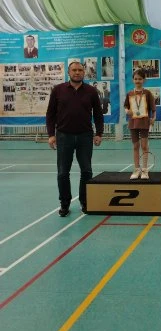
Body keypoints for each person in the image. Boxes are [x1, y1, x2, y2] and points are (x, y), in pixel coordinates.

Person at [46, 61, 104, 217]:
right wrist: (51, 135)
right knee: (63, 173)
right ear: (68, 72)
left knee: (86, 171)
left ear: (84, 72)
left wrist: (99, 133)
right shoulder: (58, 90)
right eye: (74, 70)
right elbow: (50, 114)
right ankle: (64, 204)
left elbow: (98, 114)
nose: (77, 72)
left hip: (85, 136)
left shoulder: (91, 91)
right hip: (63, 136)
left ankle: (85, 202)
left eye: (80, 70)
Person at [124, 69, 156, 180]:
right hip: (133, 123)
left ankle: (145, 170)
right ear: (133, 80)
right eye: (136, 79)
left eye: (140, 79)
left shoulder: (147, 93)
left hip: (144, 123)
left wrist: (153, 118)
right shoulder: (130, 94)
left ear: (144, 80)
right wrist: (127, 111)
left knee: (144, 146)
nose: (138, 81)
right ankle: (137, 169)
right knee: (135, 146)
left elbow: (153, 109)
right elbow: (126, 106)